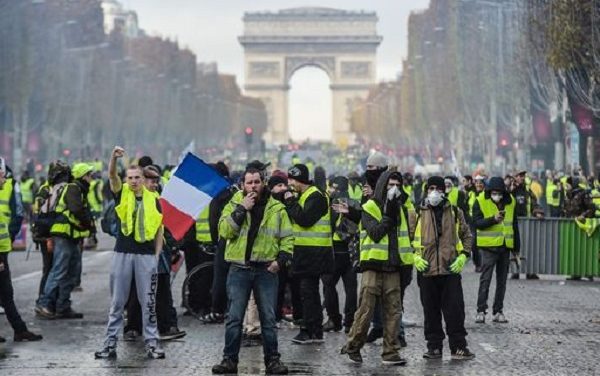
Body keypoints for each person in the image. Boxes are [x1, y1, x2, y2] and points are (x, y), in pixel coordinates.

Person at [212, 167, 293, 375]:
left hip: (266, 269)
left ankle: (273, 361)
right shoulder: (234, 204)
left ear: (263, 183)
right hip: (239, 268)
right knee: (234, 318)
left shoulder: (276, 207)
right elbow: (224, 231)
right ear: (242, 185)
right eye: (249, 183)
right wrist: (241, 209)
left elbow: (287, 238)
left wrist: (280, 261)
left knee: (268, 318)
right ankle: (229, 360)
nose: (253, 186)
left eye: (257, 182)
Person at [94, 146, 165, 359]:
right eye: (130, 177)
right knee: (117, 302)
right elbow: (112, 175)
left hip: (145, 256)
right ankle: (110, 344)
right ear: (126, 180)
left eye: (137, 177)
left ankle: (152, 344)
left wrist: (156, 255)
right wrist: (113, 159)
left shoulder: (155, 200)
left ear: (143, 179)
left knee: (148, 302)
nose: (133, 181)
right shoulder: (121, 193)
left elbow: (159, 230)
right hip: (122, 253)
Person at [340, 171, 414, 366]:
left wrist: (406, 266)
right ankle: (353, 347)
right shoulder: (370, 207)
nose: (394, 189)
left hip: (394, 267)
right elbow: (375, 233)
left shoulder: (402, 209)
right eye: (390, 185)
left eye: (398, 185)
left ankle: (390, 352)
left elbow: (406, 239)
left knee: (393, 312)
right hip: (372, 266)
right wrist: (389, 213)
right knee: (365, 311)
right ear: (382, 186)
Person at [411, 176, 475, 360]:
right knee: (430, 312)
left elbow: (467, 236)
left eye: (437, 188)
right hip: (427, 270)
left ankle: (458, 347)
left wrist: (464, 256)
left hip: (450, 271)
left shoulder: (455, 211)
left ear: (444, 191)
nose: (434, 192)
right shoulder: (417, 212)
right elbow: (406, 239)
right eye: (430, 188)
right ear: (425, 190)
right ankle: (434, 347)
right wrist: (414, 257)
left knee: (455, 311)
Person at [36, 163, 94, 319]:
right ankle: (44, 304)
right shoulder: (73, 188)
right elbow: (76, 210)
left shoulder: (79, 189)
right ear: (82, 175)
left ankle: (63, 306)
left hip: (72, 236)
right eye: (89, 175)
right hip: (63, 235)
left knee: (71, 272)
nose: (91, 178)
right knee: (59, 270)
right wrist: (89, 223)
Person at [284, 164, 333, 344]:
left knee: (308, 293)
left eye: (291, 180)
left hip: (315, 253)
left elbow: (304, 219)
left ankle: (311, 330)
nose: (289, 184)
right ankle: (313, 330)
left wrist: (290, 202)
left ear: (300, 180)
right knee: (308, 293)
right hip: (305, 253)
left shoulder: (316, 196)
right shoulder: (305, 195)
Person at [0, 158, 43, 342]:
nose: (5, 178)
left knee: (6, 293)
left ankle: (20, 330)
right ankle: (20, 330)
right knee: (6, 292)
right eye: (2, 175)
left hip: (3, 249)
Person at [473, 177, 519, 324]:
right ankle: (481, 311)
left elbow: (515, 225)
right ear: (489, 192)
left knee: (502, 282)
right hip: (488, 247)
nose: (497, 195)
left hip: (505, 246)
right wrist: (493, 219)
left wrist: (517, 249)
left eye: (499, 193)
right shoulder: (480, 200)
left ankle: (498, 311)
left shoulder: (510, 201)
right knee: (485, 280)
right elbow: (476, 223)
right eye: (494, 192)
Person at [321, 176, 359, 334]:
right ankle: (349, 323)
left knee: (329, 286)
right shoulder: (354, 203)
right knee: (351, 288)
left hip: (335, 251)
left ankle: (334, 320)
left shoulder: (331, 203)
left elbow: (329, 226)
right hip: (350, 252)